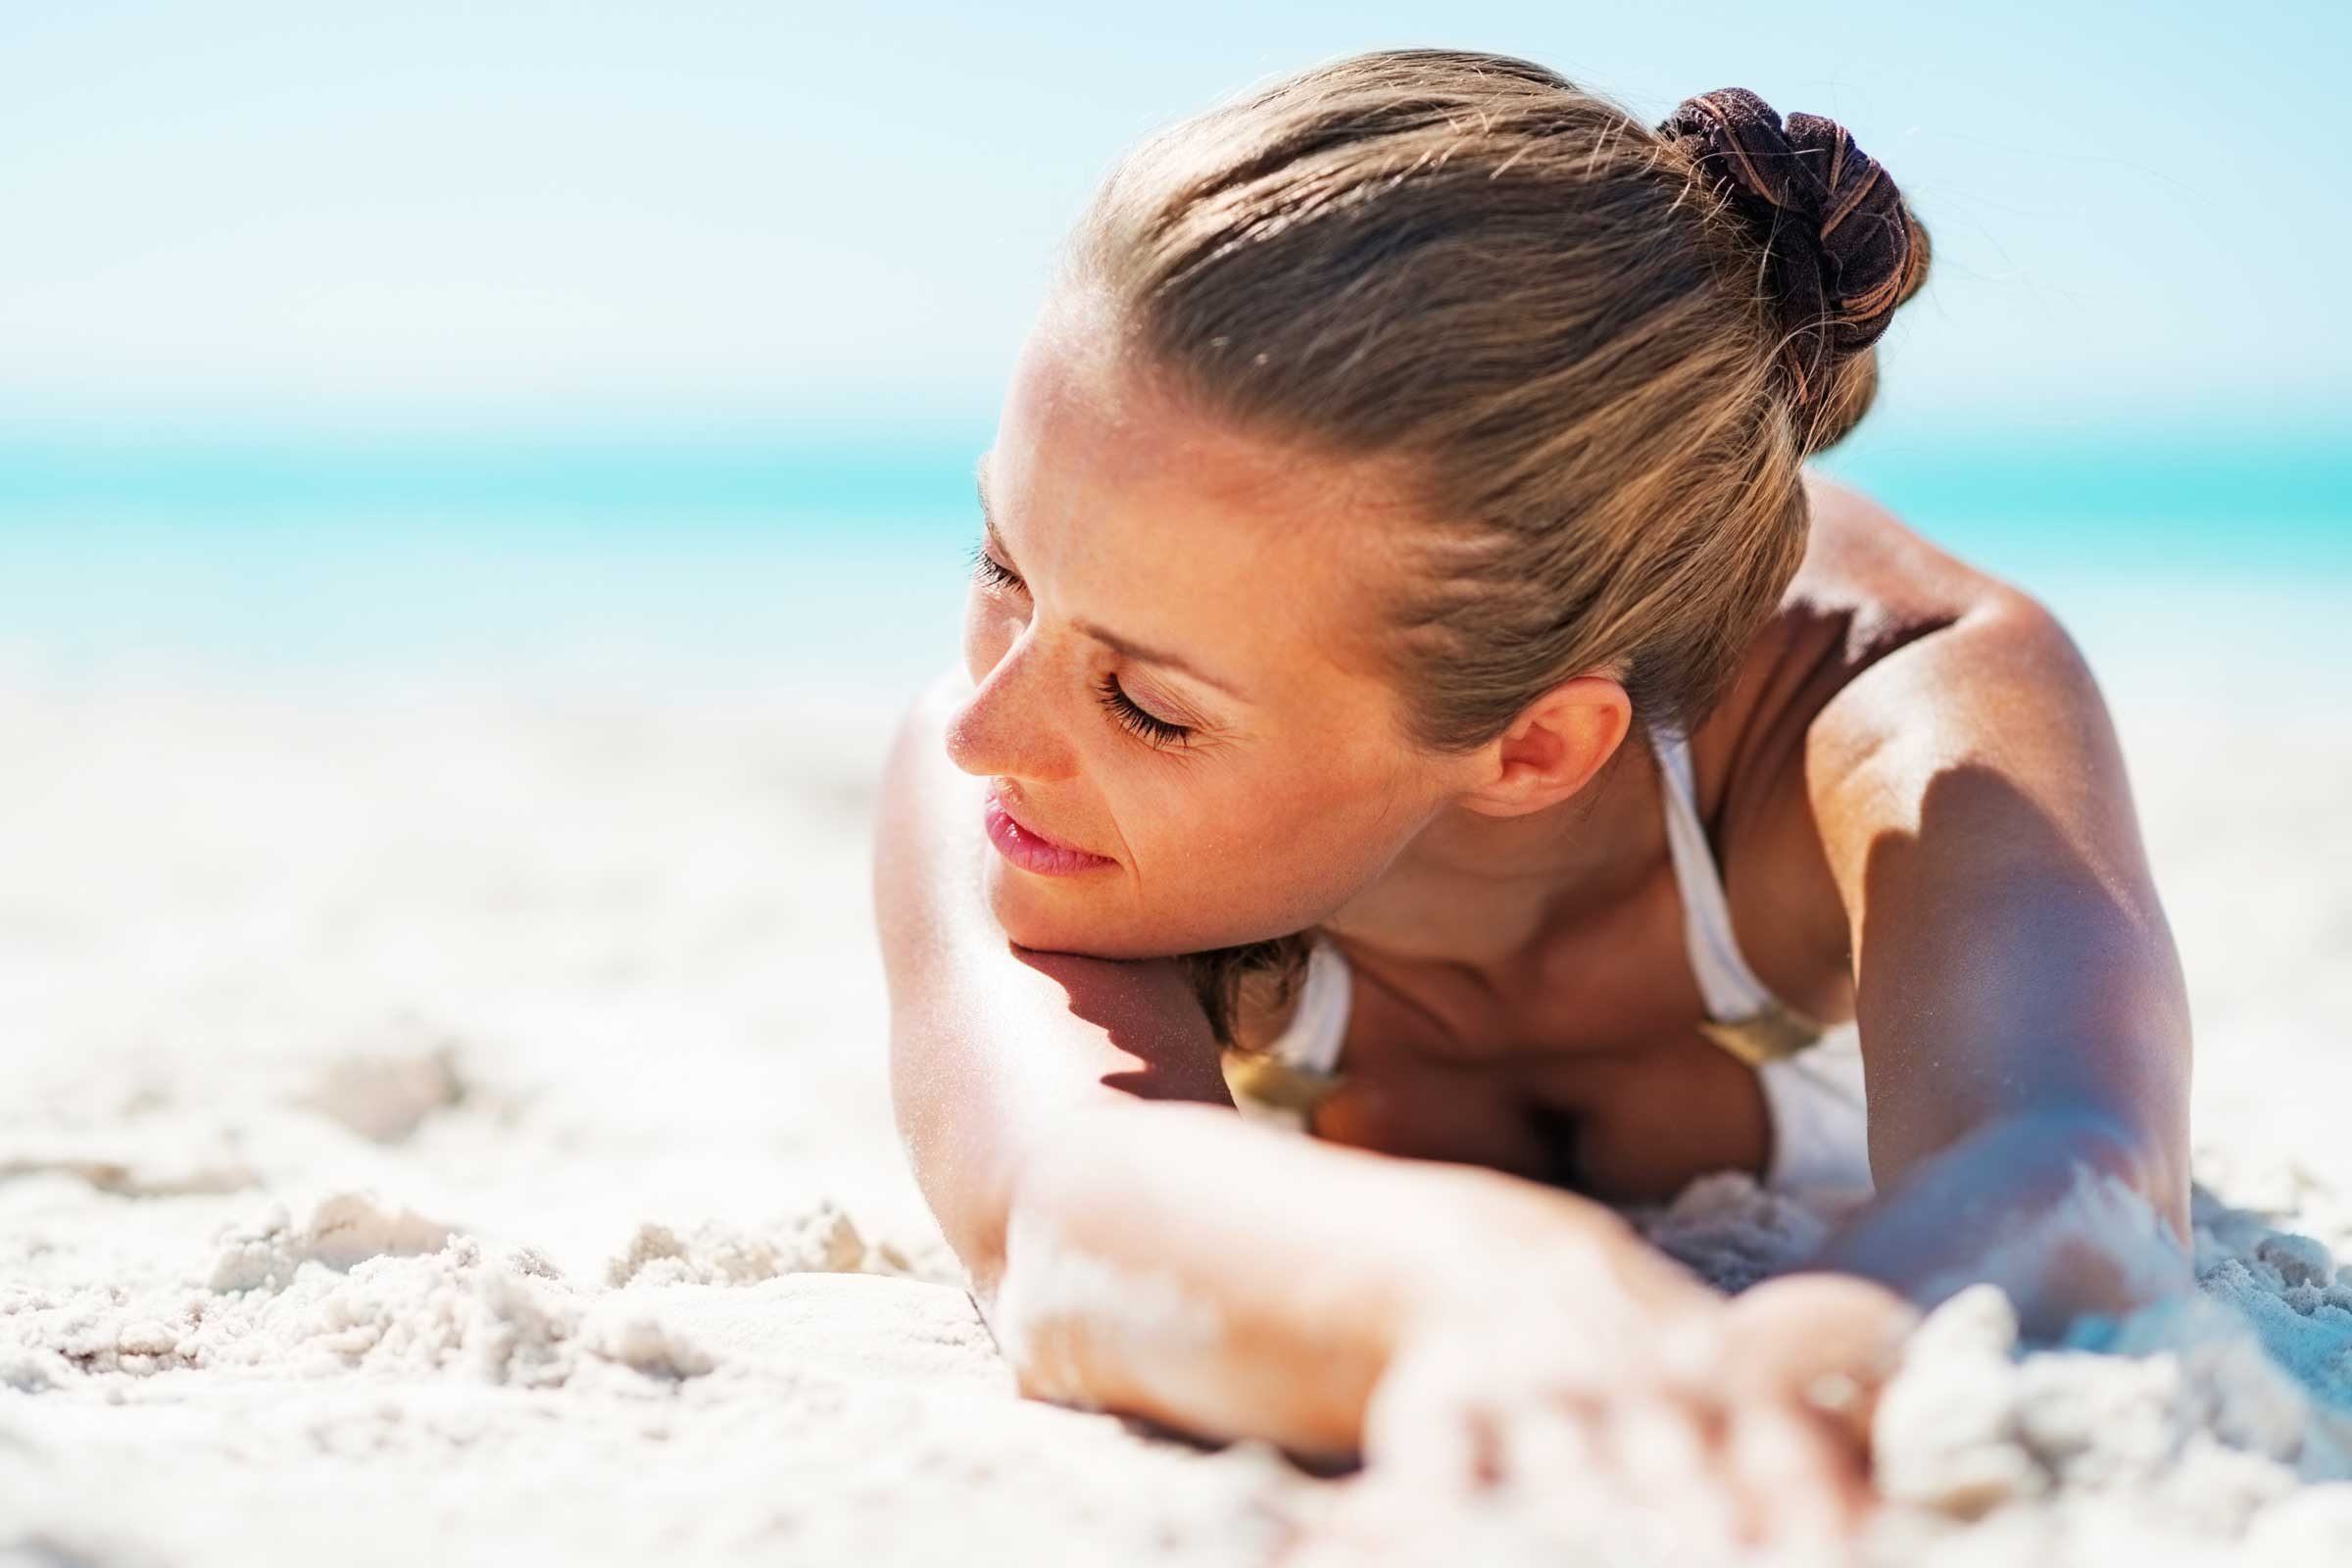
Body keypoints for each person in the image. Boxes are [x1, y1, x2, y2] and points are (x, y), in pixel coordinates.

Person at [871, 48, 2193, 1551]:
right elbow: (1056, 1203)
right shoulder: (1033, 781)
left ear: (1537, 747)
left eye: (1152, 705)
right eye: (1002, 563)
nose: (983, 729)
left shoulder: (1890, 702)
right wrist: (1486, 1286)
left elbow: (2071, 1162)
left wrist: (1822, 1348)